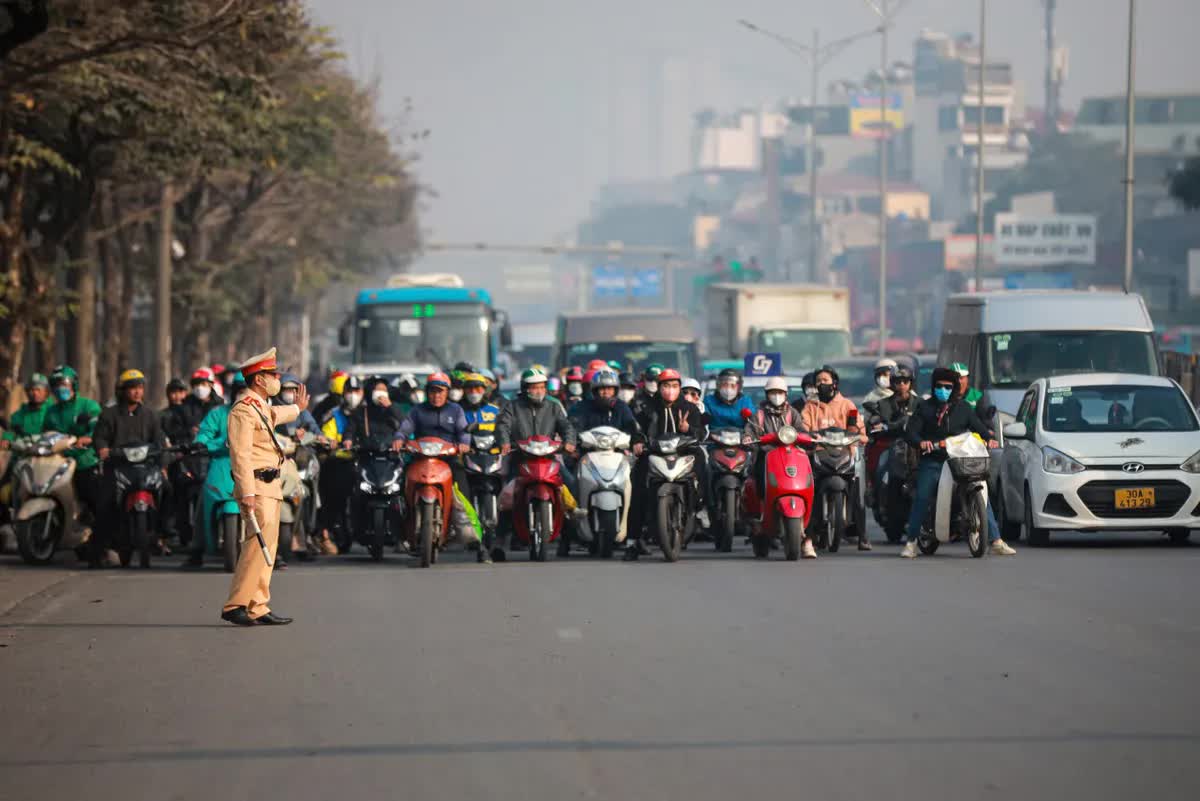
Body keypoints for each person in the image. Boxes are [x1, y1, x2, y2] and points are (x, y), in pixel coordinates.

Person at [219, 348, 305, 625]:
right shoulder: (243, 410)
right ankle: (236, 604)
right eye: (272, 374)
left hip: (270, 484)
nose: (276, 379)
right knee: (256, 547)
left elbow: (274, 415)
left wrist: (296, 409)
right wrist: (246, 493)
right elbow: (240, 454)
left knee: (268, 548)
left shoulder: (259, 407)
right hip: (256, 484)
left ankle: (258, 605)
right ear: (258, 380)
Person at [899, 366, 1016, 559]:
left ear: (954, 388)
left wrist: (989, 438)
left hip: (961, 461)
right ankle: (911, 542)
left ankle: (995, 541)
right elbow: (911, 432)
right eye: (939, 386)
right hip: (934, 461)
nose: (943, 390)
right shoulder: (925, 408)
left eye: (947, 387)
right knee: (922, 496)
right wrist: (921, 442)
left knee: (982, 493)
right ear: (934, 386)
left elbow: (979, 427)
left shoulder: (964, 408)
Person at [625, 368, 709, 560]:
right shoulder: (647, 407)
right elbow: (637, 429)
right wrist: (637, 442)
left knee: (702, 461)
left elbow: (702, 433)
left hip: (684, 453)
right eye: (665, 386)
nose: (669, 390)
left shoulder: (689, 408)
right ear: (659, 387)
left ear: (679, 388)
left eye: (674, 386)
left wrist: (690, 429)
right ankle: (632, 541)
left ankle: (702, 507)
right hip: (654, 453)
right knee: (638, 489)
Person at [92, 369, 166, 568]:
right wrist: (103, 448)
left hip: (146, 468)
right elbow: (100, 437)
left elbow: (159, 441)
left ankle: (162, 535)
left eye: (140, 388)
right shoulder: (109, 414)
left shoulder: (151, 415)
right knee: (104, 504)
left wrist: (163, 465)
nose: (136, 392)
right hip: (118, 468)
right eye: (132, 388)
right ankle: (97, 551)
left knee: (169, 491)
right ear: (122, 391)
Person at [742, 376, 816, 559]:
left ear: (786, 395)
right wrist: (748, 439)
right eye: (773, 393)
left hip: (790, 457)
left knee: (813, 479)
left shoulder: (793, 414)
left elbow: (802, 431)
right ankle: (759, 514)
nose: (777, 396)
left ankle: (810, 530)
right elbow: (749, 432)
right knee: (757, 479)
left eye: (780, 393)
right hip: (766, 457)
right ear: (767, 395)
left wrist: (810, 438)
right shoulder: (758, 415)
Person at [182, 371, 245, 569]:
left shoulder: (263, 414)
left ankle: (274, 549)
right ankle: (197, 548)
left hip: (253, 464)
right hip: (222, 463)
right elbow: (205, 433)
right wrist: (201, 443)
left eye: (248, 391)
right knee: (205, 497)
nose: (245, 395)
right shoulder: (218, 413)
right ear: (234, 392)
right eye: (241, 391)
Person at [42, 366, 102, 540]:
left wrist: (87, 438)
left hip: (84, 460)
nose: (61, 388)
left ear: (74, 385)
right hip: (58, 461)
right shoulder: (51, 411)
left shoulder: (87, 405)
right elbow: (45, 433)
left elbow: (98, 428)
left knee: (91, 497)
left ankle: (101, 539)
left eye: (65, 384)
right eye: (57, 385)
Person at [315, 375, 362, 555]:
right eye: (349, 391)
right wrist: (331, 443)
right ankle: (326, 532)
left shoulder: (367, 413)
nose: (353, 396)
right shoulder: (334, 414)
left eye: (356, 391)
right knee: (334, 497)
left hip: (365, 462)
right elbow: (326, 435)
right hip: (340, 462)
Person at [568, 370, 639, 437]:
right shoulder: (583, 407)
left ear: (615, 391)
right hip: (588, 448)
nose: (606, 392)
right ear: (595, 391)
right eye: (602, 389)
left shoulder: (622, 407)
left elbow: (631, 426)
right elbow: (574, 427)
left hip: (618, 448)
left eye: (610, 389)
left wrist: (637, 440)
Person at [343, 376, 406, 449]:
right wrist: (348, 439)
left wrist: (390, 407)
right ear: (371, 392)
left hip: (390, 452)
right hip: (367, 453)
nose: (381, 393)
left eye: (384, 390)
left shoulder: (392, 409)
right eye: (378, 389)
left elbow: (405, 424)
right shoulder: (360, 412)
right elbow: (350, 430)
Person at [1, 373, 52, 447]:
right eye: (32, 390)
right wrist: (6, 439)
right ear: (27, 392)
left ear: (46, 392)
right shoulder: (21, 413)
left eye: (38, 390)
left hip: (48, 451)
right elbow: (11, 430)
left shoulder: (53, 411)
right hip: (24, 452)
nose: (35, 393)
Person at [951, 362, 995, 434]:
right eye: (955, 379)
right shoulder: (944, 397)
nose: (959, 382)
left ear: (967, 379)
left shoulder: (977, 396)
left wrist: (989, 432)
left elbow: (986, 421)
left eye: (961, 378)